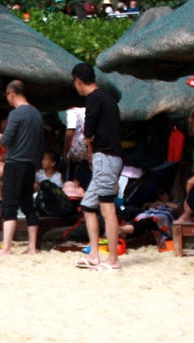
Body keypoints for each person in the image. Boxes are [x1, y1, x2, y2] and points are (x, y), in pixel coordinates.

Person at [72, 62, 123, 271]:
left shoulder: (93, 99)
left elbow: (89, 132)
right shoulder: (109, 99)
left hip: (106, 157)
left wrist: (89, 151)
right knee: (88, 205)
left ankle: (113, 259)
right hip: (111, 157)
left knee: (107, 207)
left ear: (78, 81)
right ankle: (94, 254)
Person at [0, 80, 44, 255]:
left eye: (7, 95)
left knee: (9, 204)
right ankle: (32, 246)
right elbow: (40, 143)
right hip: (30, 165)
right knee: (28, 204)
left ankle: (6, 247)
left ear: (11, 93)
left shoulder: (16, 114)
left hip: (14, 164)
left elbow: (6, 140)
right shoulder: (37, 114)